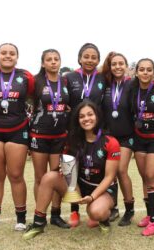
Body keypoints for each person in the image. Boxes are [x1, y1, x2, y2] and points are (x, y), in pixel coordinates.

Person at [23, 100, 119, 240]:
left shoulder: (111, 142)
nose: (86, 119)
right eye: (82, 116)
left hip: (103, 190)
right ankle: (38, 223)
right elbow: (67, 168)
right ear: (77, 120)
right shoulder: (73, 141)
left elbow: (109, 177)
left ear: (97, 116)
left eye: (90, 115)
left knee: (96, 212)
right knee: (49, 177)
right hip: (80, 186)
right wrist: (63, 168)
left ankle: (104, 220)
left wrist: (92, 197)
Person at [0, 43, 35, 232]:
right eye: (4, 53)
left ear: (17, 57)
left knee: (15, 175)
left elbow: (34, 97)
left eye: (12, 53)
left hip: (18, 129)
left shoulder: (25, 76)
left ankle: (20, 217)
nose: (8, 56)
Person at [66, 43, 106, 227]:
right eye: (86, 56)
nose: (90, 60)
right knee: (72, 169)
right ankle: (74, 211)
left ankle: (94, 209)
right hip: (74, 130)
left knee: (97, 167)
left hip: (95, 130)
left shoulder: (104, 78)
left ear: (98, 60)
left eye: (94, 57)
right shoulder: (69, 77)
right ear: (79, 58)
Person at [29, 49, 71, 229]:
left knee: (55, 175)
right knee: (40, 177)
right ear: (43, 63)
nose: (53, 62)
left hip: (60, 136)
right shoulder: (35, 81)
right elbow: (28, 100)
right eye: (49, 59)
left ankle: (55, 214)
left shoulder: (66, 81)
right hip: (39, 134)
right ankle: (40, 215)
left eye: (56, 59)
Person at [130, 58, 154, 236]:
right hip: (139, 139)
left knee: (152, 176)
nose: (145, 72)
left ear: (153, 72)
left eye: (149, 69)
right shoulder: (132, 89)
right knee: (145, 176)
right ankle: (148, 214)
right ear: (136, 72)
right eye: (142, 69)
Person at [101, 51, 136, 226]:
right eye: (114, 64)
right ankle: (113, 207)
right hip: (108, 136)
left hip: (127, 136)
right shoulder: (106, 85)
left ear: (126, 66)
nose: (117, 67)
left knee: (121, 170)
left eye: (121, 63)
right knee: (109, 173)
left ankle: (129, 209)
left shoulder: (133, 84)